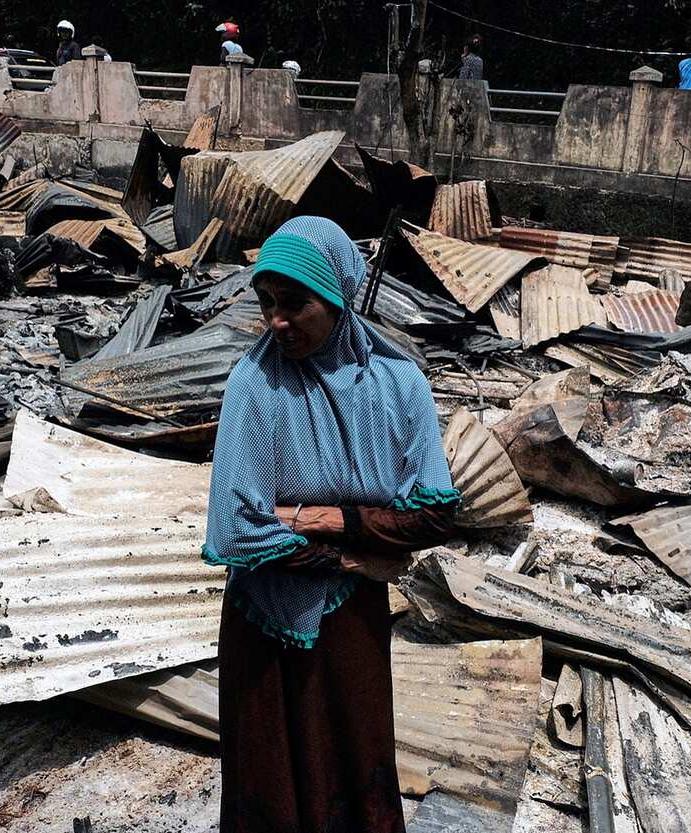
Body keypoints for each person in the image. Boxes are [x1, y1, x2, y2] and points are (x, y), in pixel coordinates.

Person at [203, 216, 460, 833]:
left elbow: (433, 512)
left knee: (354, 763)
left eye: (295, 304)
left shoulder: (398, 386)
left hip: (350, 622)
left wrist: (315, 518)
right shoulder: (255, 385)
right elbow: (237, 531)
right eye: (266, 303)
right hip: (265, 620)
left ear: (340, 299)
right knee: (273, 781)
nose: (276, 322)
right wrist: (353, 550)